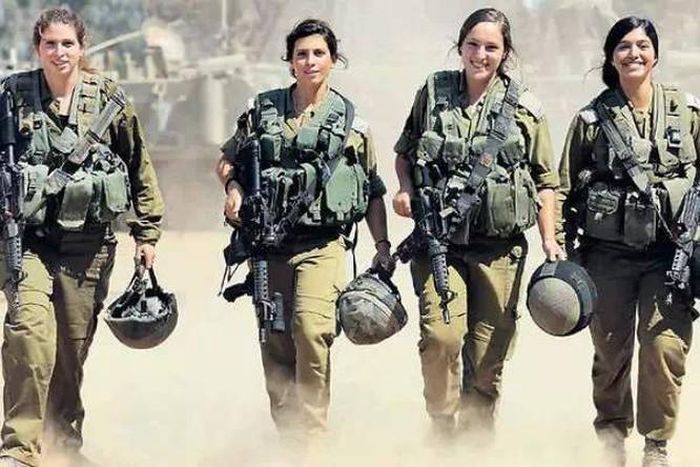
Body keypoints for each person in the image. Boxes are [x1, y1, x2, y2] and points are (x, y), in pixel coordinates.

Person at [0, 7, 164, 467]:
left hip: (87, 248)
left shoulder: (109, 100)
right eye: (50, 44)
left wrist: (147, 231)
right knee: (30, 334)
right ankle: (19, 449)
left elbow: (139, 165)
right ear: (37, 48)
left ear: (81, 47)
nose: (59, 52)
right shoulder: (11, 97)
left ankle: (62, 445)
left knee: (70, 353)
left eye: (67, 44)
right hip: (28, 243)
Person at [215, 18, 391, 444]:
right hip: (268, 247)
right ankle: (288, 439)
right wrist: (234, 188)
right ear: (290, 61)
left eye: (318, 53)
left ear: (333, 60)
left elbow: (373, 190)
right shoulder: (261, 111)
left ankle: (312, 436)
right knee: (276, 341)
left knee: (312, 331)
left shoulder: (352, 125)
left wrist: (382, 246)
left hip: (322, 245)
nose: (310, 61)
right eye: (301, 54)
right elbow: (226, 161)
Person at [392, 7, 562, 441]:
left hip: (498, 251)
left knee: (488, 358)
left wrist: (550, 239)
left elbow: (546, 182)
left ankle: (476, 443)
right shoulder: (433, 92)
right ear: (460, 46)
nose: (480, 55)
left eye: (491, 47)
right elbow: (405, 153)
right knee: (441, 338)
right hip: (439, 244)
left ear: (505, 53)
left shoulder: (525, 108)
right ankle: (441, 427)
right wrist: (405, 189)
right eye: (473, 44)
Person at [557, 16, 698, 467]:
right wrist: (557, 246)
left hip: (669, 256)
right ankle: (611, 437)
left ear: (655, 54)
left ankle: (656, 445)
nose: (633, 53)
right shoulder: (591, 120)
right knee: (610, 350)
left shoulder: (687, 112)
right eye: (623, 46)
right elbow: (561, 188)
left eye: (642, 45)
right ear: (611, 57)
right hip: (607, 256)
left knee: (663, 347)